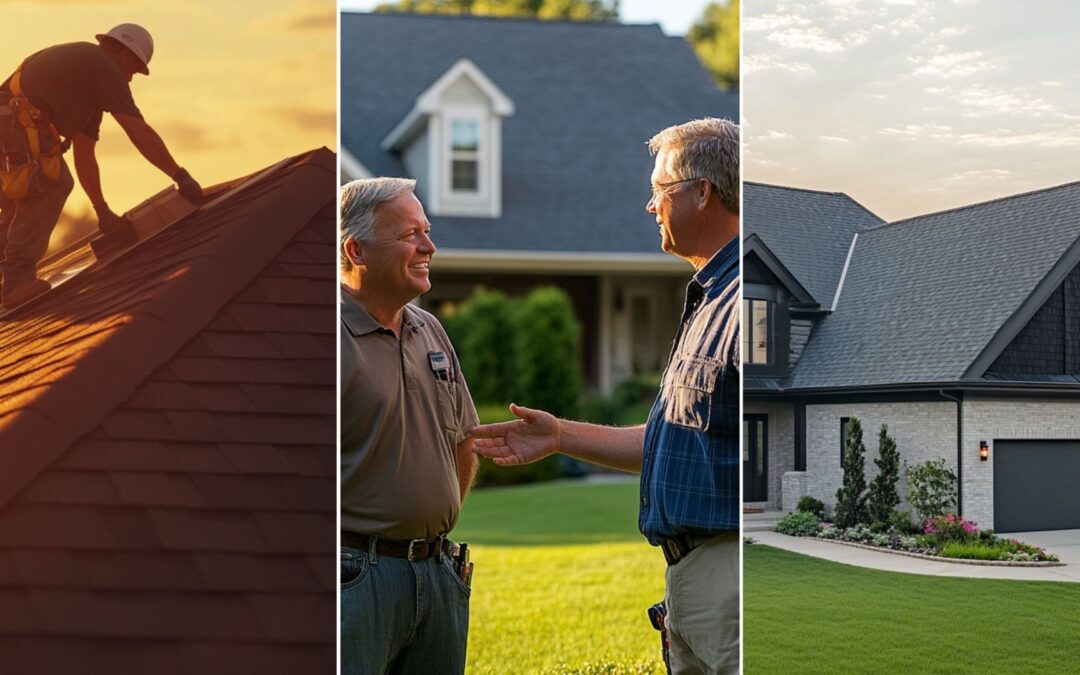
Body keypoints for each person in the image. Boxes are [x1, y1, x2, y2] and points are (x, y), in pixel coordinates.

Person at [472, 118, 741, 674]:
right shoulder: (710, 299)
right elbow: (677, 445)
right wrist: (561, 436)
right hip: (689, 581)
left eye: (658, 191)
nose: (650, 207)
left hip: (731, 577)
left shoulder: (750, 302)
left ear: (701, 193)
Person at [339, 177, 479, 675]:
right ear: (355, 249)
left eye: (427, 230)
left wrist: (428, 527)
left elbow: (464, 443)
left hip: (439, 573)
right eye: (409, 235)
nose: (428, 246)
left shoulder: (430, 329)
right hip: (355, 579)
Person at [0, 23, 202, 310]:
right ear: (121, 53)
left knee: (20, 201)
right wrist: (180, 175)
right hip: (11, 127)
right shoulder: (102, 67)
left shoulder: (86, 81)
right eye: (134, 68)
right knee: (51, 184)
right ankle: (18, 281)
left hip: (10, 127)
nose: (131, 78)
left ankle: (9, 277)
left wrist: (101, 210)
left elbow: (84, 152)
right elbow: (137, 131)